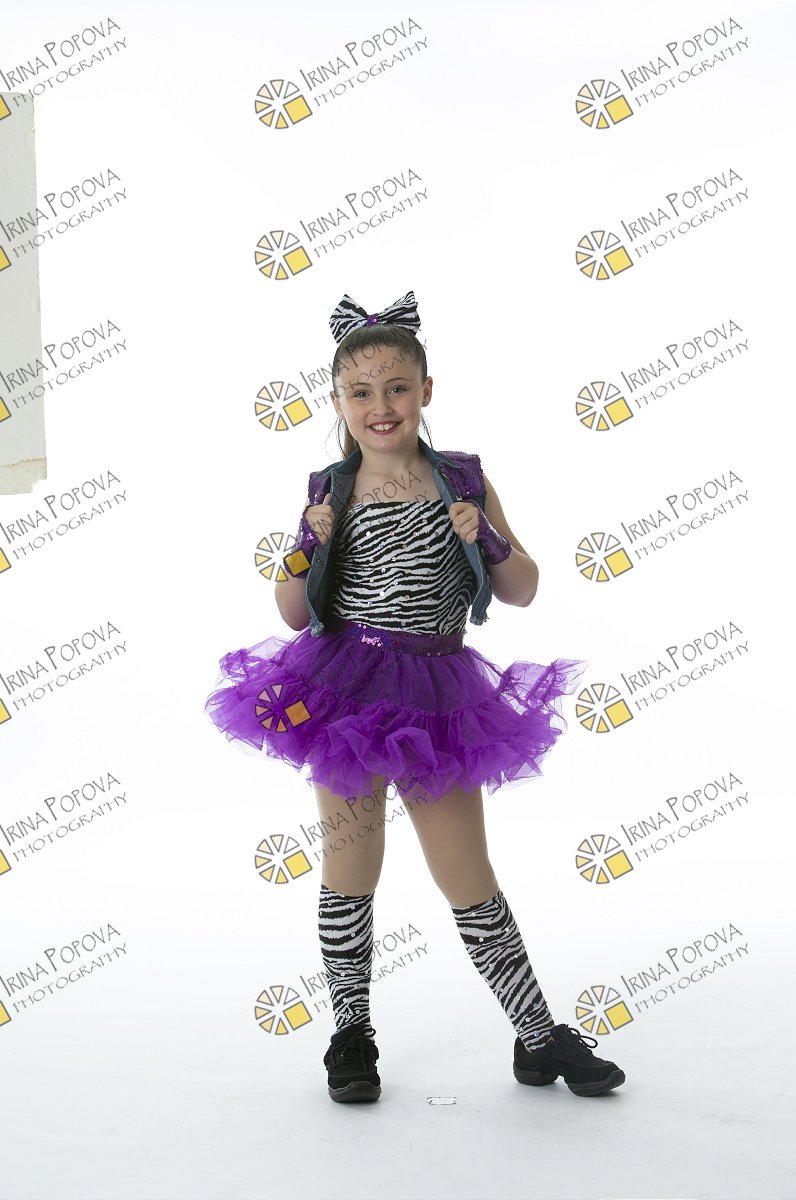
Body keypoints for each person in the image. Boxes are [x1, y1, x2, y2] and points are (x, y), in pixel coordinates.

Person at [204, 290, 626, 1103]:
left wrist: (486, 537)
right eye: (361, 392)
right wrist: (305, 545)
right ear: (337, 403)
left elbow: (524, 589)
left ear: (426, 391)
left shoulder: (462, 480)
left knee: (467, 872)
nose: (381, 405)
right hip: (344, 689)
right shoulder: (331, 491)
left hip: (439, 695)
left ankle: (537, 1036)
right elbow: (291, 612)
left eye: (397, 387)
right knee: (351, 861)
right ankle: (350, 1033)